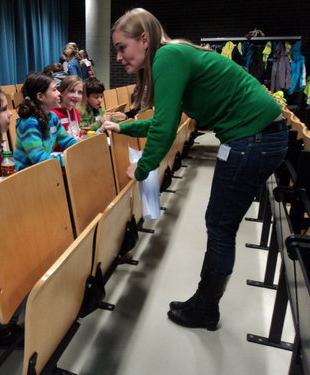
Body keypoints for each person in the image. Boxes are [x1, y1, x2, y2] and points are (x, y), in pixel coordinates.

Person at [102, 8, 288, 331]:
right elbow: (163, 120)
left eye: (122, 47)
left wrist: (144, 168)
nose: (118, 57)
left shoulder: (167, 57)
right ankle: (203, 302)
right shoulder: (171, 55)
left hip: (252, 138)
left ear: (144, 40)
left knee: (219, 225)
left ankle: (206, 309)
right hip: (258, 137)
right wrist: (125, 130)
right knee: (219, 223)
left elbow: (163, 129)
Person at [13, 72, 77, 171]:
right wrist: (69, 158)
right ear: (40, 96)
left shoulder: (52, 117)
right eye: (54, 90)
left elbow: (66, 140)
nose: (59, 93)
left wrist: (80, 150)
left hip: (43, 171)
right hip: (26, 176)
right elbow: (39, 159)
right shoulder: (29, 123)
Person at [51, 75, 84, 139]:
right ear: (61, 92)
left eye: (80, 92)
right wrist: (72, 142)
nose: (76, 96)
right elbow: (51, 143)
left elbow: (77, 132)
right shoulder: (53, 115)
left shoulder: (76, 112)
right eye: (72, 91)